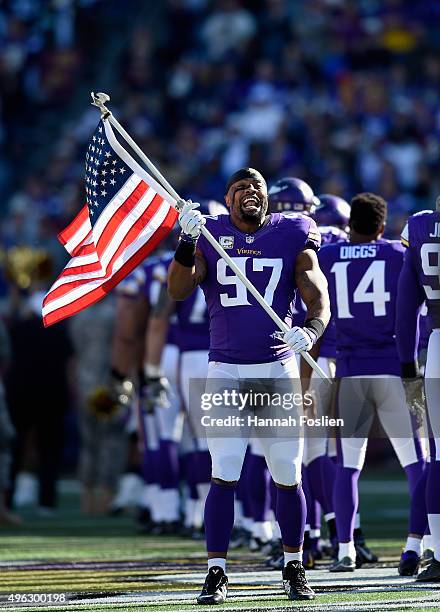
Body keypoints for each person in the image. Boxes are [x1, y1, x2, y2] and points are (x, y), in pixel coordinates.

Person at [168, 167, 330, 603]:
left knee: (287, 473)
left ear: (267, 198)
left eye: (256, 187)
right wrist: (186, 242)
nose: (250, 193)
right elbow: (178, 290)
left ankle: (293, 565)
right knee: (224, 472)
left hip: (276, 369)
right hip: (225, 369)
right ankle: (217, 571)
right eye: (240, 188)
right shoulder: (210, 234)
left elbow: (318, 295)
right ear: (229, 198)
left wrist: (311, 330)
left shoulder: (293, 231)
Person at [316, 193, 426, 573]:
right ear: (382, 226)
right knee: (416, 463)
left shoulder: (329, 258)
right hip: (394, 368)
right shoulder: (397, 252)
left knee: (348, 466)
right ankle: (416, 543)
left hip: (349, 371)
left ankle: (345, 549)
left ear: (350, 225)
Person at [396, 202, 440, 581]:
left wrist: (408, 363)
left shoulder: (421, 226)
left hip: (437, 345)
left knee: (439, 456)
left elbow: (407, 305)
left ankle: (439, 553)